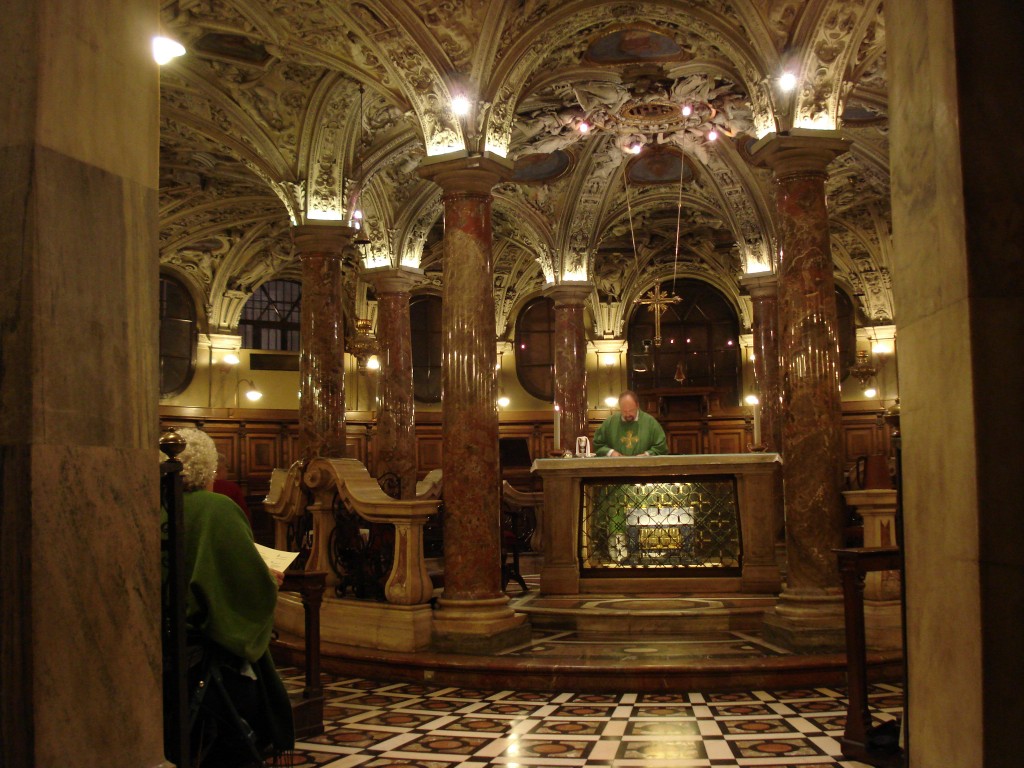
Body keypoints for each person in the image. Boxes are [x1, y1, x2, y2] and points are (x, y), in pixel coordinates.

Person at [165, 427, 293, 766]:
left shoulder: (154, 506)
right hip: (203, 650)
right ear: (209, 470)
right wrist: (268, 580)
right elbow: (243, 586)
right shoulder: (216, 508)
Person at [593, 390, 668, 457]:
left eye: (631, 410)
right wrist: (610, 452)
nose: (628, 414)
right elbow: (598, 444)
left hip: (643, 467)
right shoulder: (610, 423)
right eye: (624, 411)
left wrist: (647, 454)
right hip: (617, 466)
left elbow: (661, 447)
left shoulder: (650, 423)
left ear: (637, 406)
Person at [213, 452, 252, 527]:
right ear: (223, 468)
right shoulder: (231, 488)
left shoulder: (200, 487)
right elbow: (243, 515)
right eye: (227, 467)